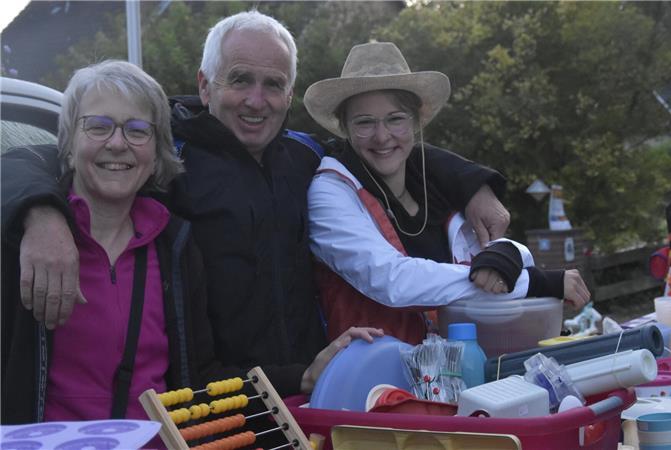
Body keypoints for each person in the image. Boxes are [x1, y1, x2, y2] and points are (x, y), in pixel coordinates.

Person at [1, 12, 509, 393]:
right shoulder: (160, 153)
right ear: (205, 85)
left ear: (289, 94)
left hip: (308, 391)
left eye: (273, 85)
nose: (256, 99)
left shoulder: (305, 155)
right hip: (209, 407)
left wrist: (475, 183)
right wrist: (41, 215)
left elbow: (384, 144)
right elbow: (42, 156)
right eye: (240, 79)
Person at [0, 60, 383, 427]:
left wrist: (304, 377)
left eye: (137, 130)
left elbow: (197, 381)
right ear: (67, 144)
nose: (117, 144)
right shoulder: (21, 241)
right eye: (98, 127)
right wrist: (37, 214)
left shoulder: (174, 249)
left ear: (156, 153)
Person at [304, 42, 591, 344]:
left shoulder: (437, 183)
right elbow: (392, 280)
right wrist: (534, 281)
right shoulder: (330, 191)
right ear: (344, 128)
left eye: (396, 118)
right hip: (373, 377)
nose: (382, 135)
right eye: (364, 122)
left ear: (416, 121)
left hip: (452, 371)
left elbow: (488, 260)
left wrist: (510, 252)